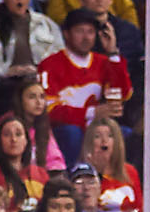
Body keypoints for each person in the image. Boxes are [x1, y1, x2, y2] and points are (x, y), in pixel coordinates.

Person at [38, 9, 132, 163]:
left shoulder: (104, 62)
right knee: (71, 132)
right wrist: (92, 112)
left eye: (90, 32)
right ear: (66, 34)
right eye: (79, 31)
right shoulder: (50, 64)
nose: (86, 37)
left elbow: (123, 94)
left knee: (125, 133)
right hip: (63, 132)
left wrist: (113, 53)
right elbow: (48, 110)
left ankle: (117, 180)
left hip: (97, 131)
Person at [0, 0, 65, 105]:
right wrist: (5, 71)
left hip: (39, 81)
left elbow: (61, 57)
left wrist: (40, 70)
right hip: (4, 83)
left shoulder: (45, 23)